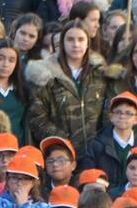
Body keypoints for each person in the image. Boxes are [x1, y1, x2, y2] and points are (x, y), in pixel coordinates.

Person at [27, 20, 109, 149]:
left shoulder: (100, 73)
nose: (76, 44)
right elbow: (37, 119)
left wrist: (101, 143)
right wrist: (63, 141)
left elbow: (108, 114)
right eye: (70, 39)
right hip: (61, 152)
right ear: (62, 43)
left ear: (88, 43)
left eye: (81, 39)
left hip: (96, 152)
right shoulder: (46, 75)